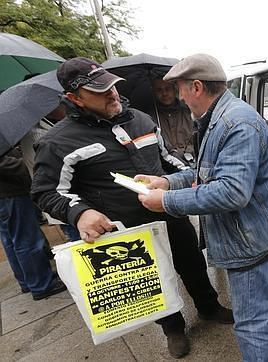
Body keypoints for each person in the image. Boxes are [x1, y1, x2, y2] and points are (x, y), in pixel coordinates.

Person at [30, 57, 233, 358]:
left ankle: (208, 306)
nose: (111, 94)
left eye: (111, 86)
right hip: (126, 229)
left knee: (191, 262)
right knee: (152, 279)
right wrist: (80, 213)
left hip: (168, 212)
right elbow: (46, 192)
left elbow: (167, 160)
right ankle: (173, 328)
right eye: (99, 91)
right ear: (74, 98)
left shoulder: (140, 119)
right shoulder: (58, 142)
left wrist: (187, 180)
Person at [136, 54, 268, 361]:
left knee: (250, 323)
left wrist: (166, 202)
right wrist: (167, 183)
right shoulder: (217, 118)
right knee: (258, 289)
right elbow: (205, 173)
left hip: (248, 238)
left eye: (179, 88)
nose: (178, 96)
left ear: (196, 86)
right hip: (255, 232)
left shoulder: (236, 123)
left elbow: (231, 192)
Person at [0, 147, 67, 300]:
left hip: (6, 194)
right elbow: (5, 164)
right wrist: (28, 164)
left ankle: (28, 280)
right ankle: (41, 283)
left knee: (11, 239)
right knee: (27, 239)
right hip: (10, 192)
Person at [20, 104, 81, 242]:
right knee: (80, 241)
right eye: (61, 104)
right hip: (63, 199)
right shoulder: (40, 135)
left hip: (63, 201)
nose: (66, 107)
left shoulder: (39, 130)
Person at [148, 79, 196, 166]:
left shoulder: (190, 111)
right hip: (168, 168)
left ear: (175, 89)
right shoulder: (149, 118)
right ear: (154, 92)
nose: (164, 93)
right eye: (159, 90)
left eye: (167, 88)